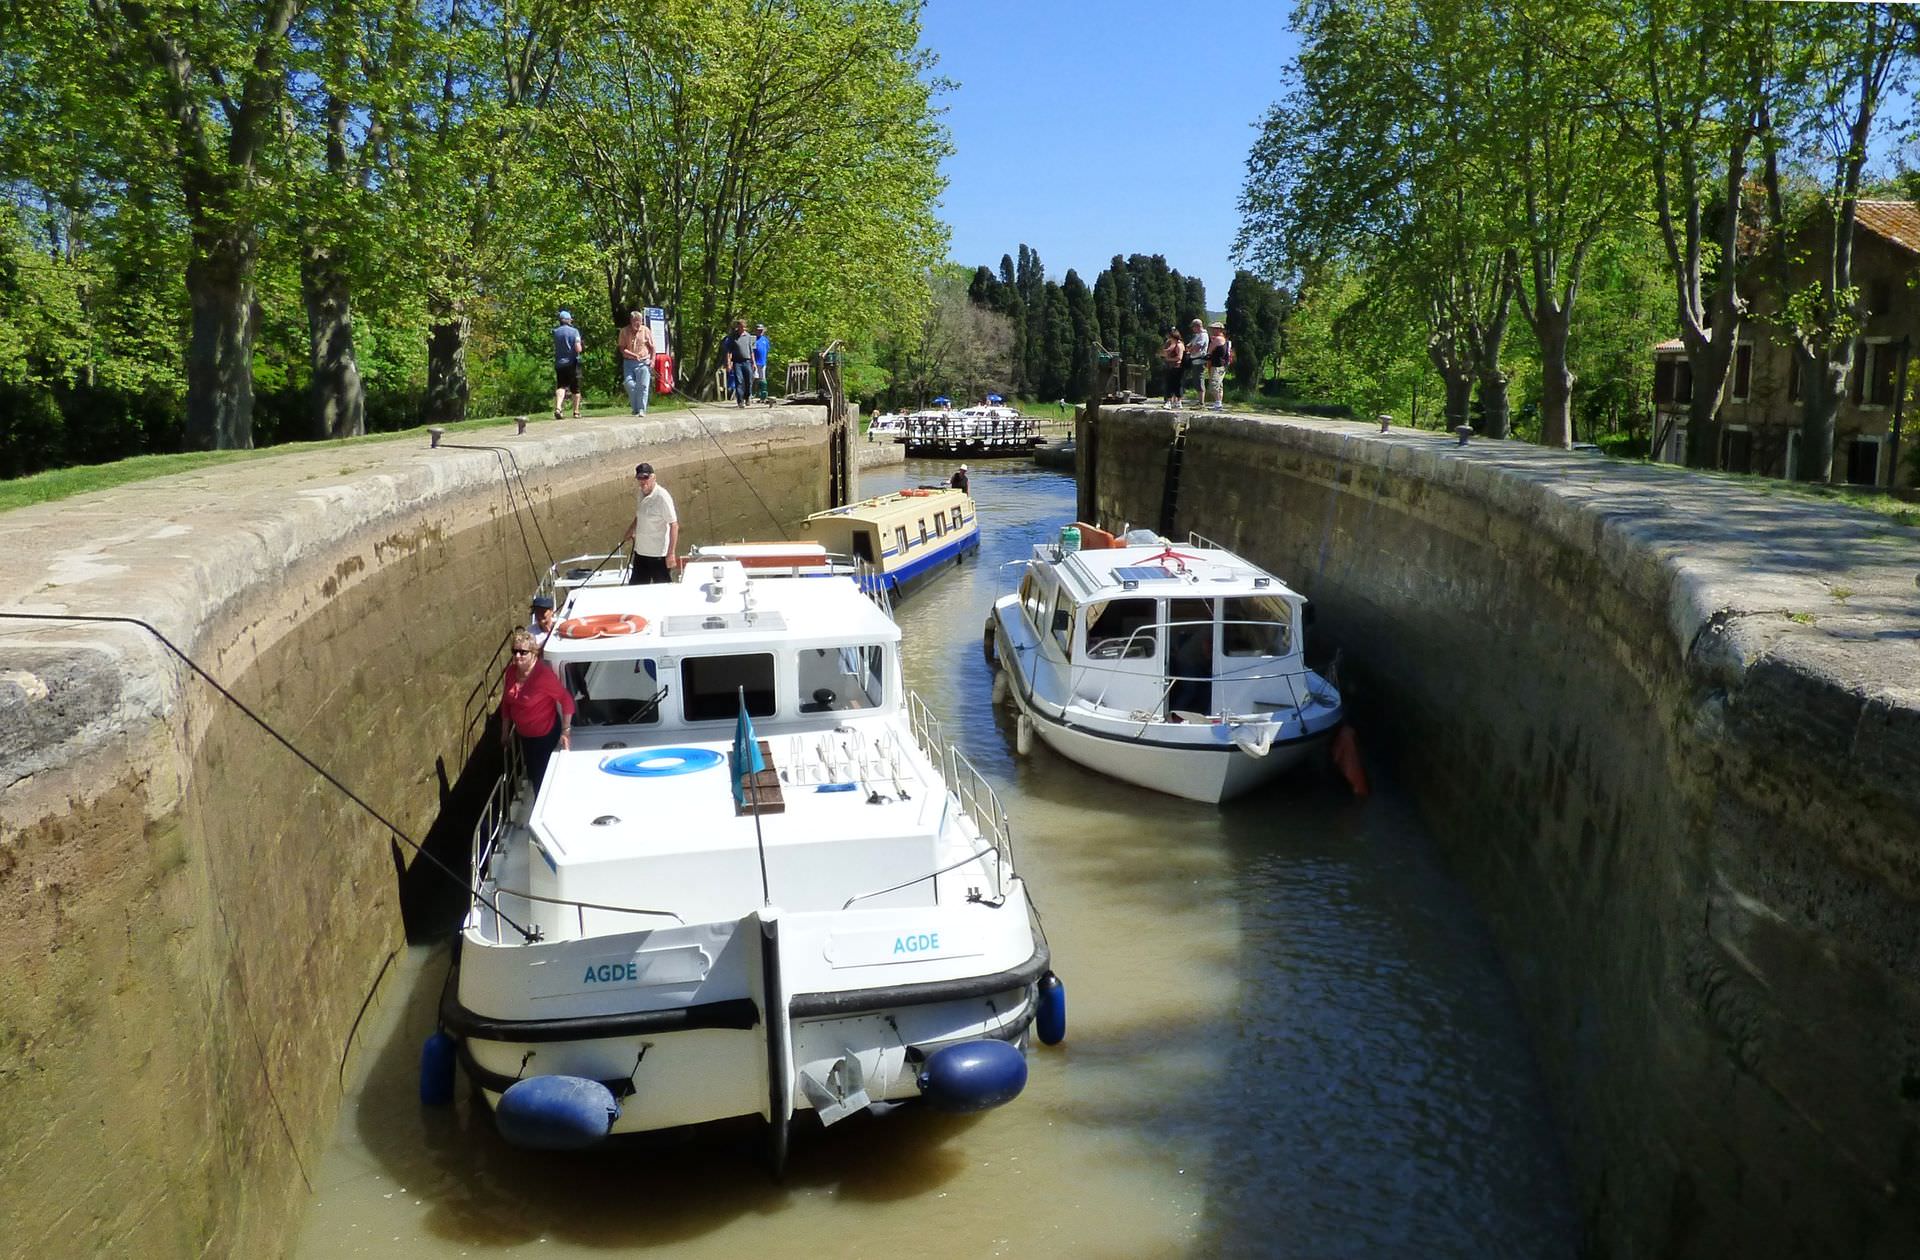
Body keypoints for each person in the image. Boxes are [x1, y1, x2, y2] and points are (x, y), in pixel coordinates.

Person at [500, 628, 573, 787]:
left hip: (545, 736)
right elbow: (506, 703)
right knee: (533, 775)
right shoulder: (511, 672)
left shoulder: (543, 675)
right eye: (514, 651)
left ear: (533, 653)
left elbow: (566, 700)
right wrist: (505, 732)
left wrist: (566, 731)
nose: (517, 656)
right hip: (525, 736)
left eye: (522, 652)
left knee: (542, 777)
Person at [623, 461, 679, 583]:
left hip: (658, 555)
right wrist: (631, 529)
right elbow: (640, 515)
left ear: (653, 477)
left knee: (663, 590)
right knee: (636, 590)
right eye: (639, 478)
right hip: (641, 552)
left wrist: (671, 554)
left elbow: (674, 524)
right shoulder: (641, 493)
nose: (643, 481)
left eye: (645, 477)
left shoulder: (662, 497)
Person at [619, 310, 654, 416]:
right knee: (629, 384)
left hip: (644, 362)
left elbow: (652, 348)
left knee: (643, 386)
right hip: (629, 362)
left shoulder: (645, 330)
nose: (638, 323)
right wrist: (634, 355)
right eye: (636, 321)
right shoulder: (624, 331)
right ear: (631, 321)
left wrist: (652, 360)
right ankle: (635, 408)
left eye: (640, 321)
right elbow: (622, 348)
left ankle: (641, 409)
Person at [552, 310, 584, 420]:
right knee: (576, 389)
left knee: (561, 386)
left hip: (559, 363)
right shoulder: (574, 331)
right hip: (572, 363)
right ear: (567, 320)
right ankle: (576, 412)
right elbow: (578, 348)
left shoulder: (555, 332)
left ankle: (558, 408)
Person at [721, 319, 754, 406]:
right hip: (737, 361)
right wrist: (728, 363)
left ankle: (747, 398)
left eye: (744, 327)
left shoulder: (748, 336)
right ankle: (740, 401)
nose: (742, 329)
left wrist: (753, 362)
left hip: (747, 361)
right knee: (739, 381)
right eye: (740, 327)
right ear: (738, 327)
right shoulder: (733, 337)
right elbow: (729, 351)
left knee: (749, 380)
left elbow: (751, 351)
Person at [1183, 318, 1208, 409]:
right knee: (1196, 380)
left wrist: (1191, 350)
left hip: (1199, 360)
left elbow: (1197, 347)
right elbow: (1189, 345)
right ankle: (1199, 401)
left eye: (1193, 327)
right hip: (1195, 360)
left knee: (1199, 380)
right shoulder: (1197, 335)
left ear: (1197, 326)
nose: (1192, 329)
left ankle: (1201, 403)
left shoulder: (1203, 335)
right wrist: (1190, 348)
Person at [1205, 321, 1231, 411]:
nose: (1212, 330)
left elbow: (1209, 352)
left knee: (1214, 385)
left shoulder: (1217, 339)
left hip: (1217, 365)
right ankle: (1218, 403)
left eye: (1215, 329)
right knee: (1219, 385)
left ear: (1220, 329)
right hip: (1222, 365)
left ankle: (1218, 403)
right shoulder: (1224, 340)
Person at [1161, 326, 1185, 407]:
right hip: (1173, 367)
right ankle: (1174, 402)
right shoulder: (1175, 344)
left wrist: (1168, 359)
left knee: (1174, 385)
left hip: (1176, 367)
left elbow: (1179, 357)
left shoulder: (1179, 345)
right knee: (1173, 385)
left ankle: (1173, 402)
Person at [752, 324, 771, 401]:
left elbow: (767, 349)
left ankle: (763, 395)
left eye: (761, 330)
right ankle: (751, 394)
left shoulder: (765, 340)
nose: (760, 331)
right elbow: (751, 351)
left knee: (762, 379)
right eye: (758, 330)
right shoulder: (753, 339)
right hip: (754, 362)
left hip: (762, 362)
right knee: (754, 378)